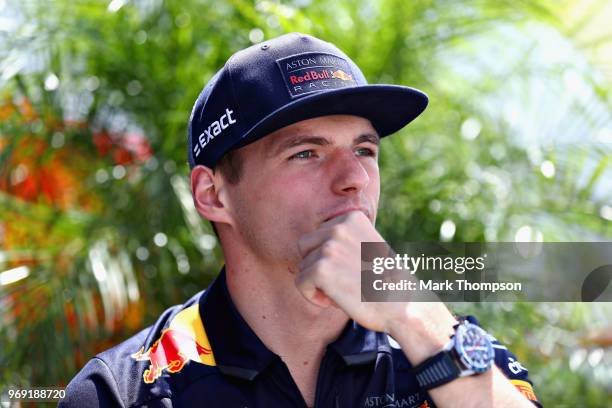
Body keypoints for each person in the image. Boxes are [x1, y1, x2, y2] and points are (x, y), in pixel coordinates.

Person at [60, 32, 541, 408]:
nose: (354, 178)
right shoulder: (120, 392)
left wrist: (412, 315)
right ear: (213, 194)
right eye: (307, 153)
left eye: (365, 149)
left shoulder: (444, 345)